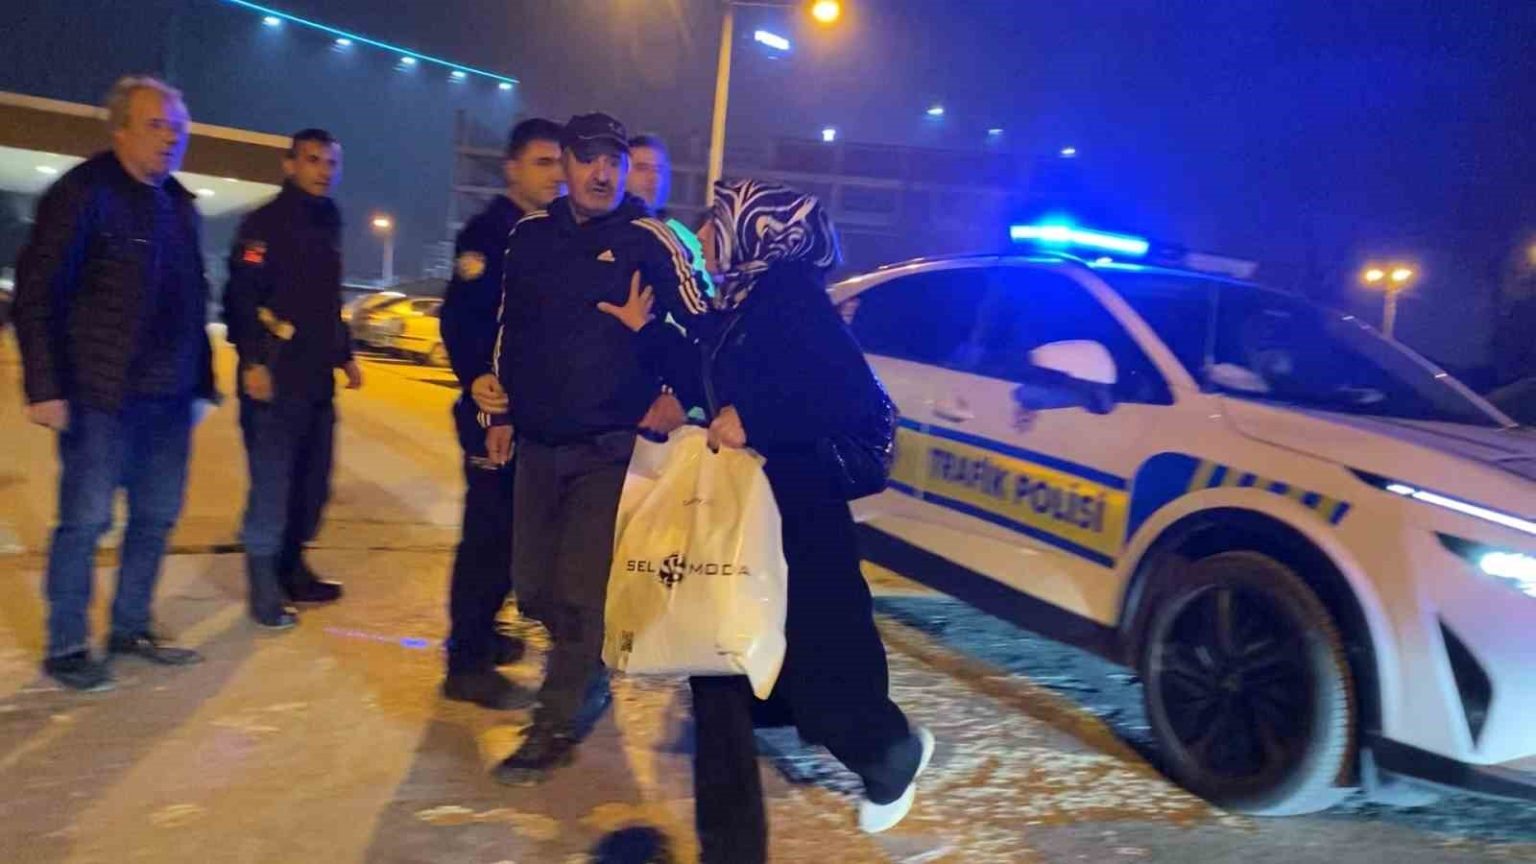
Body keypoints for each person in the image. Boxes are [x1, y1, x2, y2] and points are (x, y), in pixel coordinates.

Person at [598, 179, 935, 861]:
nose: (707, 236)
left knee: (822, 674)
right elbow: (713, 371)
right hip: (746, 513)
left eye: (717, 223)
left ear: (758, 230)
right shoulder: (745, 299)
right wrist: (651, 343)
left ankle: (890, 755)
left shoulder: (792, 299)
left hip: (798, 516)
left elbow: (845, 399)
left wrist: (756, 418)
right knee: (717, 662)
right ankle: (733, 848)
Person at [477, 112, 704, 784]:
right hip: (537, 442)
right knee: (533, 588)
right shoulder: (530, 236)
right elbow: (510, 326)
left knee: (578, 592)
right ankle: (588, 667)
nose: (602, 173)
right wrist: (498, 409)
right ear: (568, 165)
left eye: (614, 161)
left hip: (610, 448)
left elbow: (708, 325)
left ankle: (554, 721)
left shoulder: (651, 239)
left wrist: (684, 397)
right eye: (588, 159)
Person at [13, 75, 216, 691]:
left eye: (178, 128)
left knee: (156, 517)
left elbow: (194, 298)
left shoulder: (179, 204)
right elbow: (37, 294)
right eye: (156, 125)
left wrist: (203, 383)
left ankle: (130, 626)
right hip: (99, 394)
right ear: (121, 130)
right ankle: (68, 645)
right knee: (86, 521)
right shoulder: (82, 193)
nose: (170, 139)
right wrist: (44, 387)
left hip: (168, 400)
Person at [437, 118, 566, 709]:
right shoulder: (489, 233)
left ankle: (484, 634)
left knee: (516, 539)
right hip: (494, 412)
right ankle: (464, 663)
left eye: (560, 162)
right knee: (487, 541)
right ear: (512, 168)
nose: (556, 174)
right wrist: (476, 379)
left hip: (536, 416)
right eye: (543, 162)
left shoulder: (554, 233)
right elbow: (460, 319)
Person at [223, 129, 363, 630]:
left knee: (312, 486)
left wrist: (344, 356)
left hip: (316, 380)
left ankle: (292, 568)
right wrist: (253, 361)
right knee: (273, 486)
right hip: (274, 378)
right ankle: (264, 585)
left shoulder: (329, 219)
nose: (324, 170)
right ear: (290, 165)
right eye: (313, 160)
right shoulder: (263, 224)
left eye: (331, 162)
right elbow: (240, 296)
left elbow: (328, 299)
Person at [628, 134, 715, 299]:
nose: (653, 178)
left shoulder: (684, 239)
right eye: (642, 168)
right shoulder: (601, 231)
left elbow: (705, 301)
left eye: (659, 170)